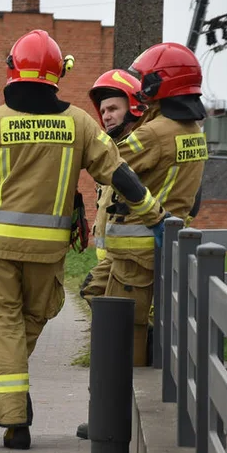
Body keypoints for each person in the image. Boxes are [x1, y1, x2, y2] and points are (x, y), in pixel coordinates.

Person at [0, 30, 167, 450]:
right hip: (47, 252)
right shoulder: (79, 124)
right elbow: (119, 174)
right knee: (28, 322)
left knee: (3, 326)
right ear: (57, 74)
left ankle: (9, 419)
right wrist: (154, 214)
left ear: (13, 69)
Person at [101, 42, 208, 368]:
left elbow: (109, 166)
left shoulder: (155, 133)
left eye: (146, 79)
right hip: (168, 244)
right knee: (156, 324)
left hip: (136, 250)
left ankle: (118, 410)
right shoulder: (193, 131)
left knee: (124, 330)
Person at [79, 69, 149, 306]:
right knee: (94, 297)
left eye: (113, 109)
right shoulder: (114, 150)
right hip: (111, 258)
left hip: (131, 258)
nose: (106, 116)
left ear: (133, 108)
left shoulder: (141, 149)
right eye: (103, 111)